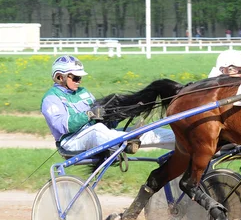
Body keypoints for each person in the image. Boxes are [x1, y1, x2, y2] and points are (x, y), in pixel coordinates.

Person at [41, 55, 175, 152]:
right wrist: (89, 114)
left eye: (80, 77)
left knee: (148, 131)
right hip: (72, 141)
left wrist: (118, 114)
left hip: (101, 135)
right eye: (75, 77)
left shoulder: (83, 92)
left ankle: (183, 141)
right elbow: (62, 126)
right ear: (59, 77)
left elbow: (101, 121)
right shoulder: (51, 98)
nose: (79, 81)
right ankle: (127, 141)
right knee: (96, 130)